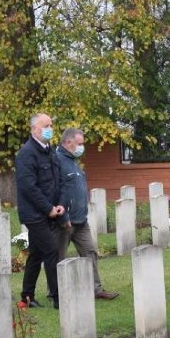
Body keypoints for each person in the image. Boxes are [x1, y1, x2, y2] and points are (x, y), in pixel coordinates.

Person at [55, 127, 119, 301]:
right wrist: (63, 216)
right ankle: (56, 292)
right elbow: (54, 191)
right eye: (80, 144)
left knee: (90, 252)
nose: (82, 147)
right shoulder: (56, 161)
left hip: (81, 220)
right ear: (68, 142)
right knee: (59, 258)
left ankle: (95, 289)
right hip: (64, 221)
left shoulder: (73, 162)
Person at [15, 113, 65, 309]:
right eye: (46, 125)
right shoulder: (27, 153)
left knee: (36, 253)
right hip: (34, 214)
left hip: (50, 211)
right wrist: (48, 208)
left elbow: (56, 180)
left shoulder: (50, 151)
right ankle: (57, 297)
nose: (50, 128)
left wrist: (59, 205)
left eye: (51, 125)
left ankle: (26, 296)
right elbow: (29, 187)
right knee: (51, 250)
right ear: (34, 129)